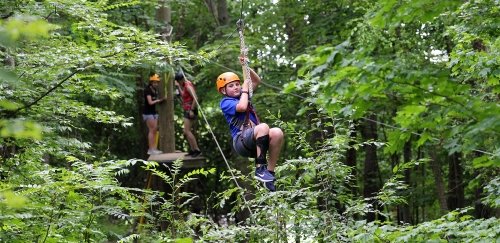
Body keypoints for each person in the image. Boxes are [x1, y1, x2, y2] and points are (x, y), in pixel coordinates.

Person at [216, 58, 284, 192]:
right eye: (231, 86)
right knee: (264, 126)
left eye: (237, 84)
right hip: (241, 141)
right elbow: (241, 107)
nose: (236, 87)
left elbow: (256, 81)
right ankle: (260, 168)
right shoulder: (226, 102)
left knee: (277, 132)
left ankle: (269, 173)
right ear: (224, 91)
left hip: (255, 140)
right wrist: (245, 89)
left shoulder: (244, 94)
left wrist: (246, 66)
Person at [175, 72, 201, 157]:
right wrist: (178, 87)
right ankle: (193, 150)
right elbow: (183, 96)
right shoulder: (184, 85)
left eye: (178, 82)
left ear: (181, 79)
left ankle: (196, 150)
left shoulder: (188, 85)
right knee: (186, 131)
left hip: (190, 110)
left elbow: (195, 98)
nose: (178, 83)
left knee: (187, 131)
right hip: (187, 109)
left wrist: (192, 110)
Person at [143, 74, 165, 155]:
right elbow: (150, 102)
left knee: (155, 130)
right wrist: (159, 100)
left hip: (153, 112)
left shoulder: (155, 90)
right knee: (152, 130)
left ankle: (154, 148)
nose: (156, 84)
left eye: (157, 82)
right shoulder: (148, 90)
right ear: (151, 82)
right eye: (154, 82)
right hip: (148, 112)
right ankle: (151, 149)